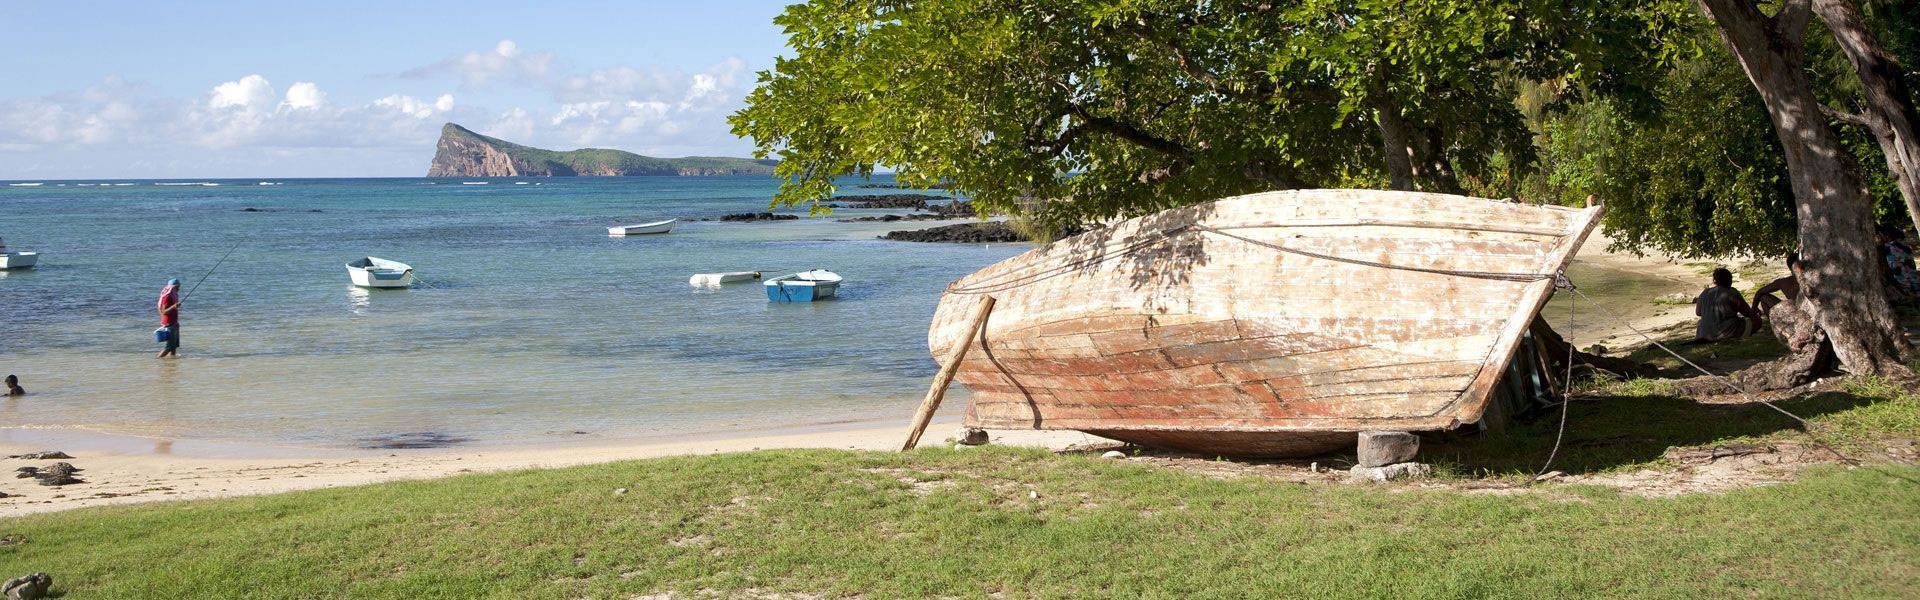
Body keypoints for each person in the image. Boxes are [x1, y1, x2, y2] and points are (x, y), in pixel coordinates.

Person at [1695, 267, 1763, 342]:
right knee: (1757, 321)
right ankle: (1738, 336)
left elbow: (1698, 313)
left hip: (1704, 334)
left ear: (1715, 281)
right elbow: (1747, 312)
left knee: (1701, 322)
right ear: (1729, 280)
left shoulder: (1705, 292)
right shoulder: (1732, 293)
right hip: (1726, 332)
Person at [1875, 224, 1920, 303]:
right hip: (1909, 276)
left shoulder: (1889, 247)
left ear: (1887, 236)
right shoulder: (1901, 244)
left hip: (1904, 278)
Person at [157, 278, 182, 358]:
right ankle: (158, 359)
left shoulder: (173, 294)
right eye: (177, 287)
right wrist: (174, 306)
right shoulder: (167, 296)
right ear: (173, 287)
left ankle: (172, 361)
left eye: (179, 287)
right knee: (169, 347)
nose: (178, 289)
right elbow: (164, 311)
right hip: (169, 324)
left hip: (174, 323)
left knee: (174, 345)